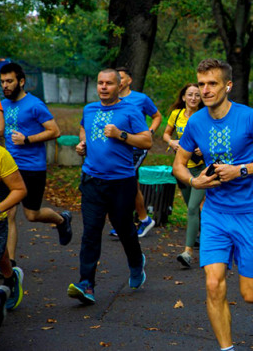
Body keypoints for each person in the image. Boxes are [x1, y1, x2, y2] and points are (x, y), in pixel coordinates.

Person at [172, 59, 253, 350]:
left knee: (250, 293)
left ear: (227, 85)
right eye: (201, 84)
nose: (205, 90)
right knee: (213, 284)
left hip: (251, 214)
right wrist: (193, 182)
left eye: (212, 83)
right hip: (215, 214)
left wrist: (242, 170)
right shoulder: (196, 121)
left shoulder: (249, 117)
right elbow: (179, 164)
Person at [69, 68, 151, 305]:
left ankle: (136, 264)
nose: (103, 87)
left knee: (124, 228)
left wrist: (121, 134)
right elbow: (84, 128)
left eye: (109, 84)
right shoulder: (90, 109)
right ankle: (87, 284)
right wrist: (83, 144)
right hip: (92, 180)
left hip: (121, 182)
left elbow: (146, 140)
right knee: (91, 233)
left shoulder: (130, 111)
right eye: (100, 83)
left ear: (119, 87)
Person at [0, 62, 72, 263]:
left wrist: (27, 139)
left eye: (10, 81)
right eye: (3, 81)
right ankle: (10, 264)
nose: (5, 85)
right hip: (9, 167)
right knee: (7, 212)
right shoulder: (2, 105)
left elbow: (54, 131)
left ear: (21, 82)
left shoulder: (35, 105)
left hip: (32, 167)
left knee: (32, 214)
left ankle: (61, 219)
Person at [107, 67, 162, 238]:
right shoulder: (110, 100)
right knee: (128, 183)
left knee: (127, 181)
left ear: (129, 80)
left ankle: (133, 220)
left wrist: (150, 132)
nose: (119, 81)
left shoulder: (141, 99)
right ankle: (137, 220)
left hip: (137, 148)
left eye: (121, 78)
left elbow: (157, 116)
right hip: (117, 148)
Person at [162, 83, 206, 268]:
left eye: (197, 95)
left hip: (200, 169)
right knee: (192, 207)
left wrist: (203, 149)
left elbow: (212, 139)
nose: (194, 98)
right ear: (183, 97)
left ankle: (188, 252)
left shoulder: (205, 116)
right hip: (182, 168)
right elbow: (165, 134)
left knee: (193, 209)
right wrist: (171, 142)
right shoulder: (176, 115)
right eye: (190, 95)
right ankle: (211, 237)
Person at [0, 145, 27, 324]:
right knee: (0, 258)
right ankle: (9, 280)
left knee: (0, 257)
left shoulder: (0, 154)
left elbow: (19, 189)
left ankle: (7, 283)